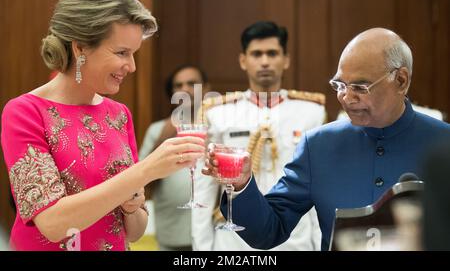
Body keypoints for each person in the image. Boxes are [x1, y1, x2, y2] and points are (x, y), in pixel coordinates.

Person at [202, 27, 450, 251]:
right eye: (340, 85)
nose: (346, 98)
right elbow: (268, 232)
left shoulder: (443, 144)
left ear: (401, 80)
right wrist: (242, 184)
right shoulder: (319, 145)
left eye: (360, 88)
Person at [0, 0, 204, 251]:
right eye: (122, 52)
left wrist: (132, 208)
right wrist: (146, 171)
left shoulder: (119, 114)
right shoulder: (24, 112)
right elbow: (52, 224)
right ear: (80, 47)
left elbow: (135, 231)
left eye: (133, 54)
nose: (131, 66)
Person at [192, 21, 326, 251]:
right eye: (256, 54)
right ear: (243, 60)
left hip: (295, 238)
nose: (264, 61)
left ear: (286, 59)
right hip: (233, 240)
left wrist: (320, 243)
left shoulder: (311, 112)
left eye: (272, 53)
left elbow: (319, 188)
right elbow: (203, 188)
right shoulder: (218, 113)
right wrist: (202, 249)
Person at [139, 65, 210, 251]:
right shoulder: (158, 130)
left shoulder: (220, 127)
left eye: (192, 84)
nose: (185, 89)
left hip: (213, 232)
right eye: (179, 85)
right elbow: (140, 179)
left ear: (206, 88)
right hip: (172, 236)